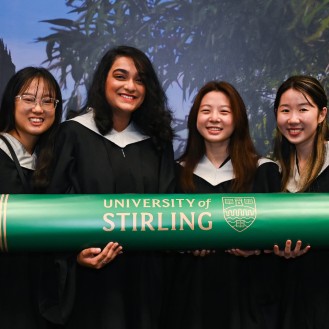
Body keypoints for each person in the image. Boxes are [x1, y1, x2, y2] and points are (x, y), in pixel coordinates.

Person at [43, 45, 175, 329]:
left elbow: (169, 209)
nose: (130, 86)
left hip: (144, 281)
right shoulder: (74, 134)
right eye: (120, 76)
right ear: (104, 80)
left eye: (140, 80)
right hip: (92, 283)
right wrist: (74, 256)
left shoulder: (157, 143)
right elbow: (51, 212)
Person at [161, 81, 281, 329]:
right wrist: (182, 245)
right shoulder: (175, 174)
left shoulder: (263, 171)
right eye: (206, 111)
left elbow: (278, 235)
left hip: (246, 300)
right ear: (195, 118)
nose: (214, 118)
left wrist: (259, 248)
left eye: (224, 112)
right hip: (190, 299)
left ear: (237, 119)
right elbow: (163, 236)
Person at [0, 66, 63, 329]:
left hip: (34, 298)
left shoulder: (50, 166)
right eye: (28, 99)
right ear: (11, 102)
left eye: (48, 101)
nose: (38, 109)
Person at [272, 75, 328, 328]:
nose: (293, 119)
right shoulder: (273, 171)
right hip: (290, 295)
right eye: (285, 110)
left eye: (303, 109)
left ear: (321, 114)